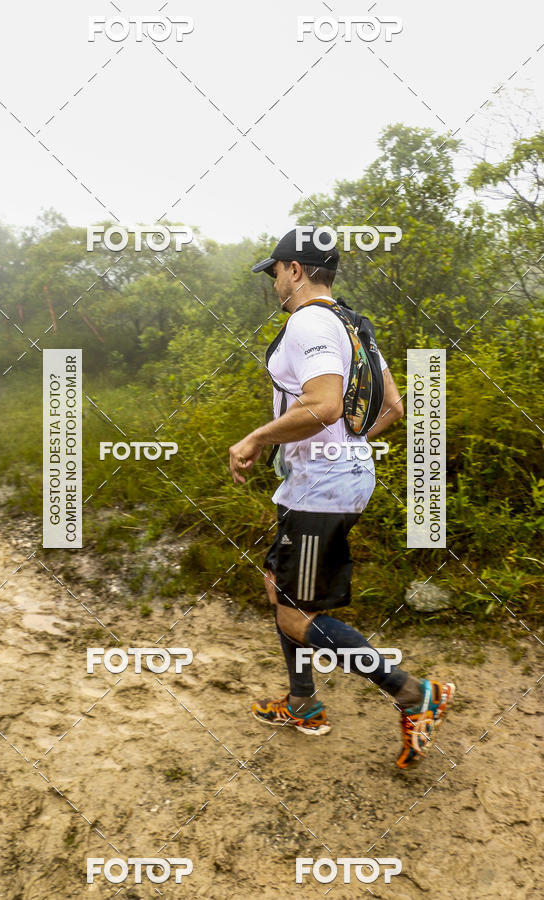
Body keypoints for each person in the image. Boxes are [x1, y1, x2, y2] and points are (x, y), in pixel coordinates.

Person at [228, 226, 455, 768]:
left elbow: (325, 404)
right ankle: (303, 703)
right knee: (278, 586)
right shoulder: (354, 325)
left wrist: (257, 437)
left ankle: (413, 693)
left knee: (294, 617)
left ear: (295, 270)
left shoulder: (307, 321)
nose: (274, 283)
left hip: (320, 491)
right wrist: (346, 446)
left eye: (275, 272)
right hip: (329, 482)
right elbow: (393, 407)